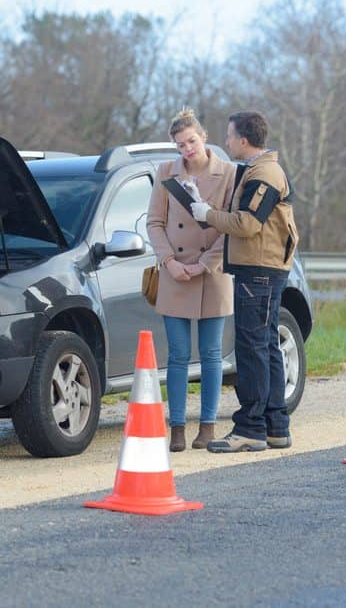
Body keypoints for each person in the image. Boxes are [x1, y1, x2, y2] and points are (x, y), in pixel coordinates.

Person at [191, 110, 299, 452]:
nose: (225, 142)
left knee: (252, 348)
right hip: (262, 269)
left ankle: (250, 428)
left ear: (243, 139)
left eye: (228, 136)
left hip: (259, 272)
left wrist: (207, 216)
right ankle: (275, 426)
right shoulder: (257, 170)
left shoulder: (265, 174)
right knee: (266, 346)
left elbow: (249, 223)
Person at [146, 109, 236, 451]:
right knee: (178, 354)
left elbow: (231, 226)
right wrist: (168, 261)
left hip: (211, 274)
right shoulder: (166, 173)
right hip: (175, 274)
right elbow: (154, 222)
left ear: (204, 137)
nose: (187, 149)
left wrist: (205, 264)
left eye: (191, 141)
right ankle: (178, 427)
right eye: (180, 144)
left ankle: (209, 426)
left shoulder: (227, 174)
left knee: (212, 353)